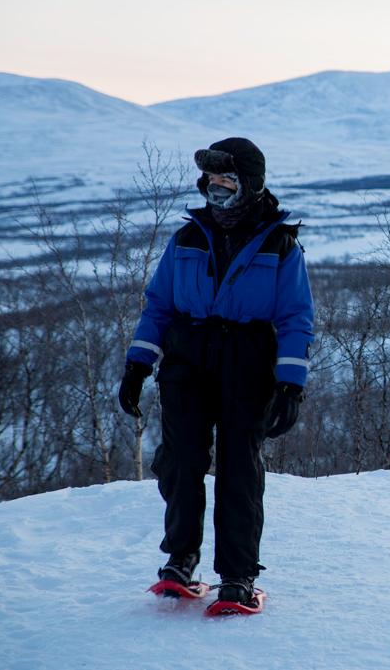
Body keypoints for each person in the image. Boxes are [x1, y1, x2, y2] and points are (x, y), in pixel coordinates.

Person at [116, 136, 314, 607]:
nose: (216, 190)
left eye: (226, 182)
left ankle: (238, 577)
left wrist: (291, 387)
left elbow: (294, 319)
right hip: (187, 360)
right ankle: (180, 560)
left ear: (250, 185)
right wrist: (137, 364)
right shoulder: (187, 236)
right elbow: (159, 305)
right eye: (211, 181)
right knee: (180, 461)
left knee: (238, 470)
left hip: (248, 364)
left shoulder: (280, 244)